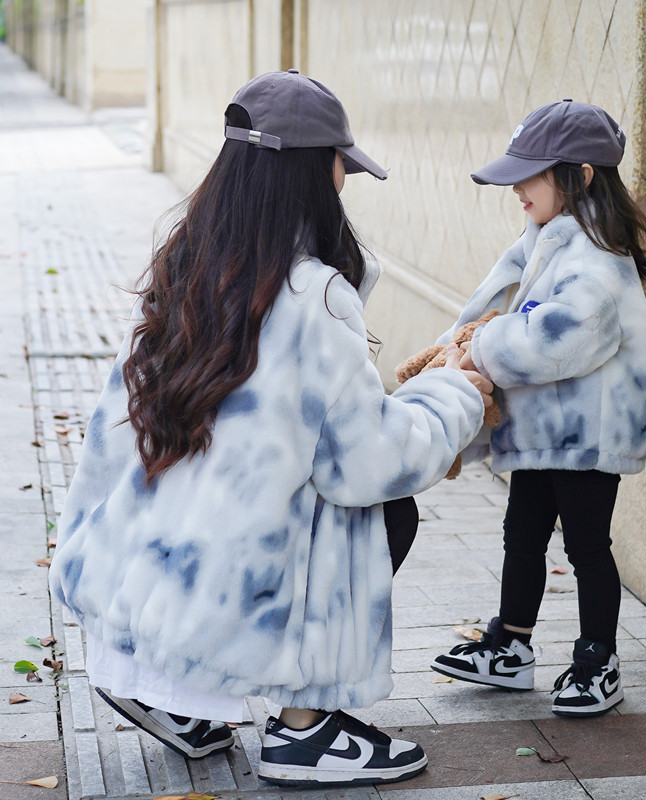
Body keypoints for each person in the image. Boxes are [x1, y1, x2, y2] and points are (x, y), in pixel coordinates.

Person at [48, 70, 493, 787]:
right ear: (311, 173)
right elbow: (366, 461)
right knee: (385, 511)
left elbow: (111, 432)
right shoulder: (312, 295)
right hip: (237, 589)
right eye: (340, 164)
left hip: (146, 578)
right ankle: (304, 728)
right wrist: (455, 395)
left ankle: (164, 685)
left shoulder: (188, 262)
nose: (344, 181)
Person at [428, 99, 646, 717]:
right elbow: (499, 308)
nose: (517, 188)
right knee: (523, 531)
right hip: (542, 427)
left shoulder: (598, 258)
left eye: (529, 174)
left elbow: (558, 337)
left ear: (581, 176)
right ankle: (511, 645)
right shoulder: (543, 240)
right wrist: (451, 352)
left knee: (586, 544)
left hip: (589, 432)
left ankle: (597, 661)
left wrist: (480, 345)